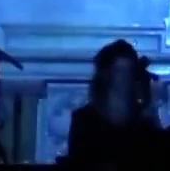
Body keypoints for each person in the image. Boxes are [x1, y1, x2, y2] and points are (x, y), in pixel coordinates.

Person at [64, 40, 162, 170]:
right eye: (119, 71)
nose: (124, 78)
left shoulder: (143, 120)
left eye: (128, 71)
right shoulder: (84, 119)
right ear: (106, 75)